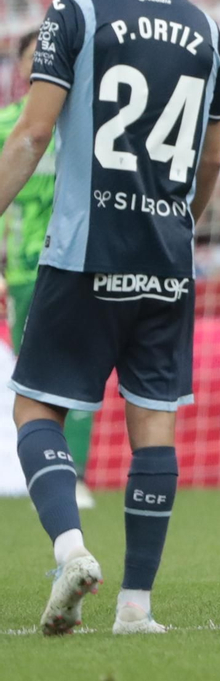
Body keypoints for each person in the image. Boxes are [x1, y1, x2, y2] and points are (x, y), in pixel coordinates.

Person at [3, 0, 220, 635]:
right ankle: (137, 607)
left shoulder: (76, 10)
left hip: (83, 252)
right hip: (166, 257)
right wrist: (180, 221)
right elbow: (212, 161)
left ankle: (71, 548)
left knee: (35, 404)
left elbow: (33, 132)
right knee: (153, 423)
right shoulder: (205, 27)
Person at [0, 31, 95, 511]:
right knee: (32, 380)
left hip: (77, 262)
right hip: (22, 270)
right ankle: (46, 473)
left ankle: (75, 475)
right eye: (31, 59)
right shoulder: (3, 127)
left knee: (79, 372)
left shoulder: (84, 125)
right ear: (20, 69)